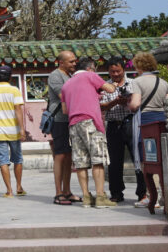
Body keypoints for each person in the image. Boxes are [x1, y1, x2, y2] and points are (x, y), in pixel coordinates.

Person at [61, 57, 117, 208]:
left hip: (74, 124)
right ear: (90, 68)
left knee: (81, 163)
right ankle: (100, 196)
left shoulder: (66, 85)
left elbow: (65, 110)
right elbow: (110, 89)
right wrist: (114, 84)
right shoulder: (90, 75)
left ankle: (86, 197)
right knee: (97, 160)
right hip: (90, 121)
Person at [127, 51, 168, 208]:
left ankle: (151, 195)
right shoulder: (164, 82)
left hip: (145, 121)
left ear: (139, 66)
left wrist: (128, 104)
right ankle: (164, 194)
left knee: (147, 159)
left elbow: (135, 104)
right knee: (161, 158)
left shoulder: (137, 82)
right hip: (162, 120)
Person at [99, 56, 146, 204]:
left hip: (131, 123)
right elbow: (101, 106)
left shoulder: (133, 83)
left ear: (124, 69)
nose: (115, 74)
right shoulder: (104, 86)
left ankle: (142, 192)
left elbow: (139, 103)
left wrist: (128, 101)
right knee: (114, 161)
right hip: (113, 124)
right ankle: (116, 192)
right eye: (112, 71)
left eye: (118, 71)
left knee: (137, 158)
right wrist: (115, 102)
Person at [0, 64, 26, 197]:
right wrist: (22, 129)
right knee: (17, 159)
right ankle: (19, 187)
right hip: (13, 131)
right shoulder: (14, 90)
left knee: (3, 161)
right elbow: (18, 110)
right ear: (10, 77)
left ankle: (9, 191)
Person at [49, 50, 80, 205]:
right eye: (71, 61)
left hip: (71, 118)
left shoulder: (71, 76)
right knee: (60, 155)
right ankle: (58, 193)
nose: (74, 63)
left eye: (75, 61)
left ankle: (67, 191)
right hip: (59, 120)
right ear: (61, 62)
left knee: (69, 157)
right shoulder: (55, 75)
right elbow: (64, 95)